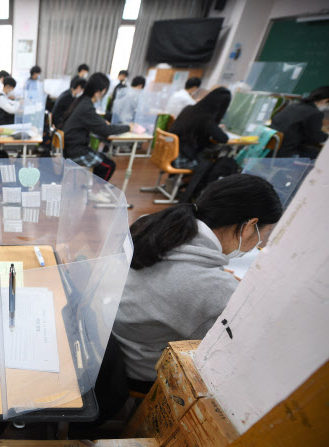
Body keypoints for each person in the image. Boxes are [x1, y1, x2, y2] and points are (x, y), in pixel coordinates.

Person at [112, 174, 283, 391]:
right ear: (249, 226)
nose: (259, 243)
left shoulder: (155, 225)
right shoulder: (215, 288)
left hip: (113, 340)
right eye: (265, 234)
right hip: (138, 370)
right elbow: (235, 349)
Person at [60, 73, 129, 184]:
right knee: (109, 166)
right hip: (75, 151)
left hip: (70, 147)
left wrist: (102, 123)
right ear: (100, 91)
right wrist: (128, 127)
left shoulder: (82, 101)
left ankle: (94, 186)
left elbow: (94, 121)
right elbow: (106, 130)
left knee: (102, 160)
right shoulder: (87, 107)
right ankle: (96, 191)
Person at [169, 87, 231, 169]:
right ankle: (189, 181)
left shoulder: (188, 109)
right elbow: (223, 139)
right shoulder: (207, 120)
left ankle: (180, 180)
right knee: (209, 164)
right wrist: (215, 127)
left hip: (169, 152)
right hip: (180, 159)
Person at [271, 85, 329, 159]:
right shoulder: (314, 113)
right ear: (325, 100)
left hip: (273, 151)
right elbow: (315, 137)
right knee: (324, 157)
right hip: (289, 153)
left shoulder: (293, 106)